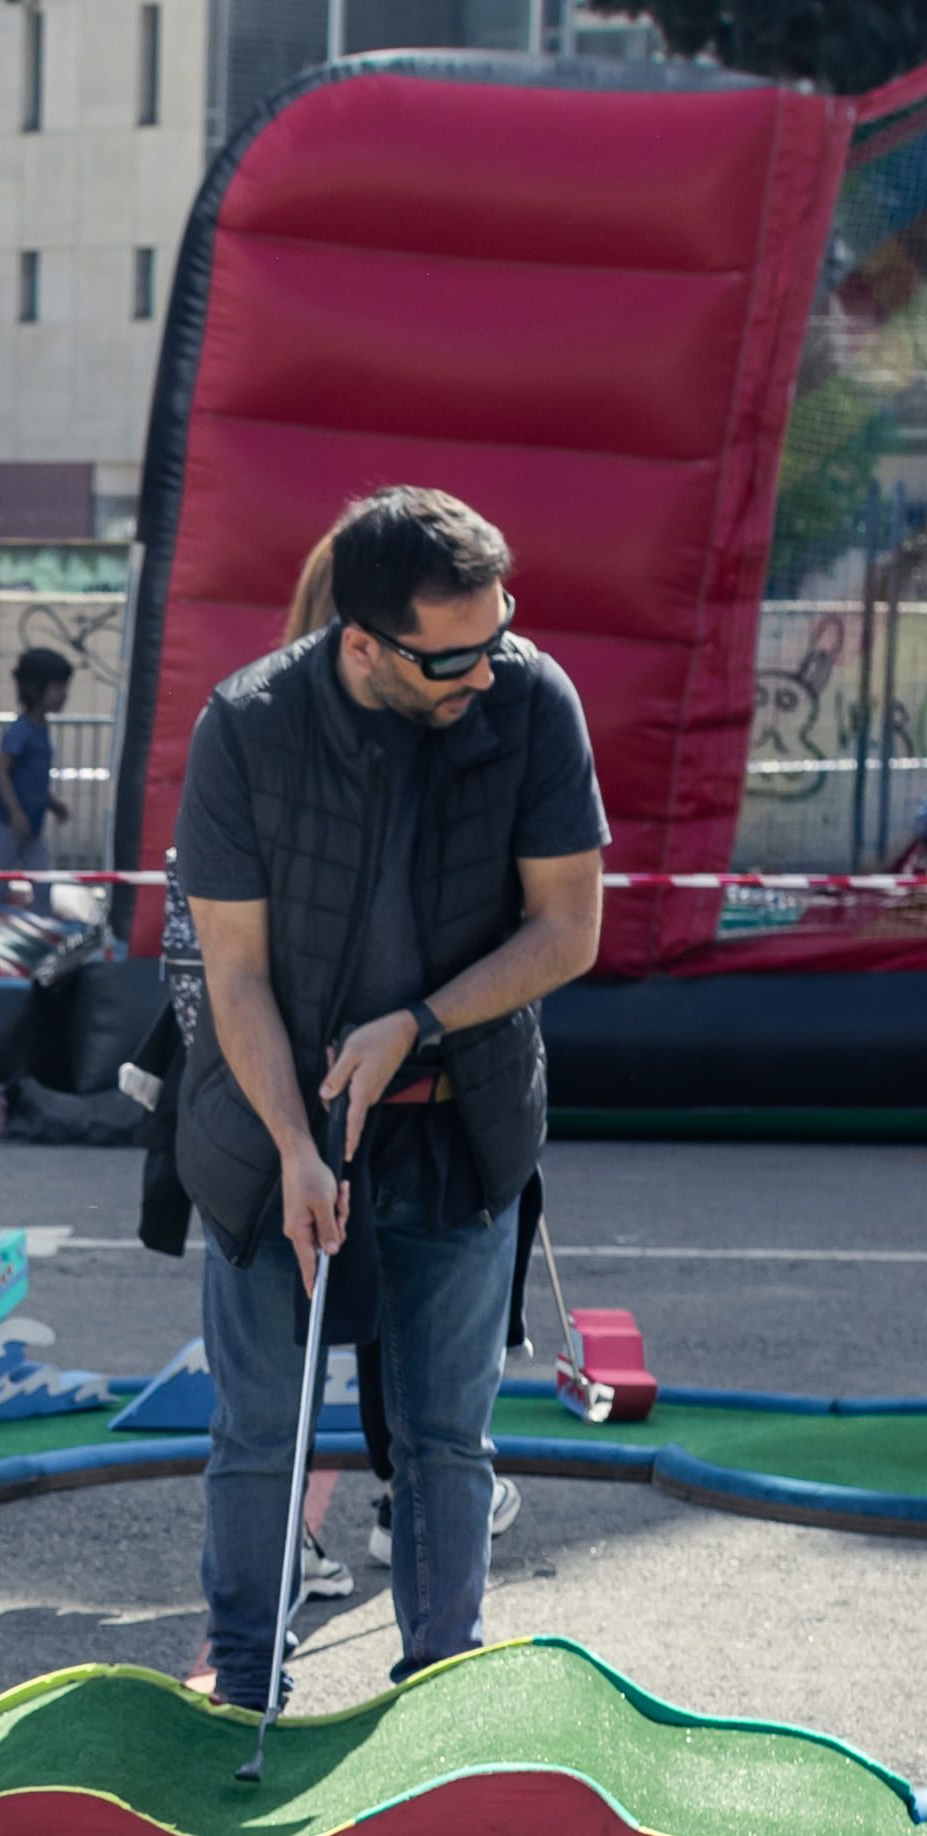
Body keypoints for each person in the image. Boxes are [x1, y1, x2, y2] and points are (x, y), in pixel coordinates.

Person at [165, 484, 607, 1707]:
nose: (488, 664)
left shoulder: (529, 699)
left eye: (501, 626)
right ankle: (246, 1683)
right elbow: (234, 974)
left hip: (459, 1128)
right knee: (262, 1434)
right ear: (364, 644)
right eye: (453, 653)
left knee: (446, 1440)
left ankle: (440, 1691)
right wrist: (300, 1152)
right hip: (273, 1136)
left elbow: (569, 929)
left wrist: (417, 1024)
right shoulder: (246, 725)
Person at [0, 640, 73, 894]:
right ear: (36, 689)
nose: (64, 694)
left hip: (32, 826)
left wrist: (52, 804)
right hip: (6, 825)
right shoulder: (20, 731)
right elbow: (1, 771)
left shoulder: (41, 729)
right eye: (58, 687)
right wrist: (15, 813)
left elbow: (32, 780)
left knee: (43, 884)